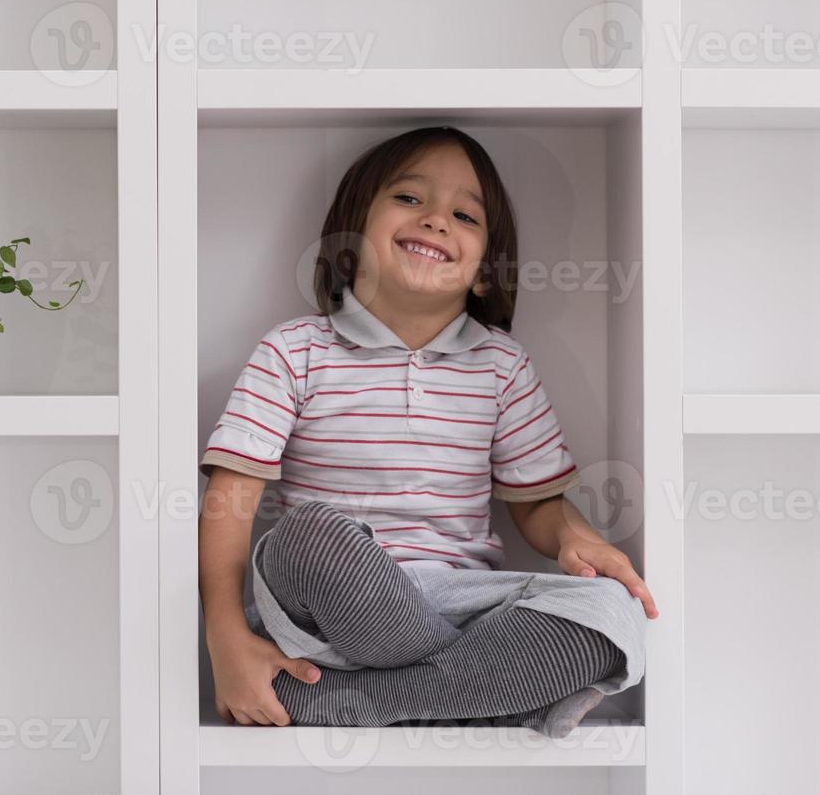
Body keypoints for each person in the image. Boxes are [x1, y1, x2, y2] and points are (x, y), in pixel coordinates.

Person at [198, 126, 655, 738]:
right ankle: (486, 693)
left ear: (486, 272)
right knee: (308, 533)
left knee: (613, 610)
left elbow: (541, 505)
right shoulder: (297, 350)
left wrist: (579, 540)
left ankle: (361, 702)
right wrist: (226, 640)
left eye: (465, 214)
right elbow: (231, 499)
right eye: (410, 199)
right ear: (348, 237)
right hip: (324, 613)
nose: (437, 220)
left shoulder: (502, 366)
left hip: (460, 603)